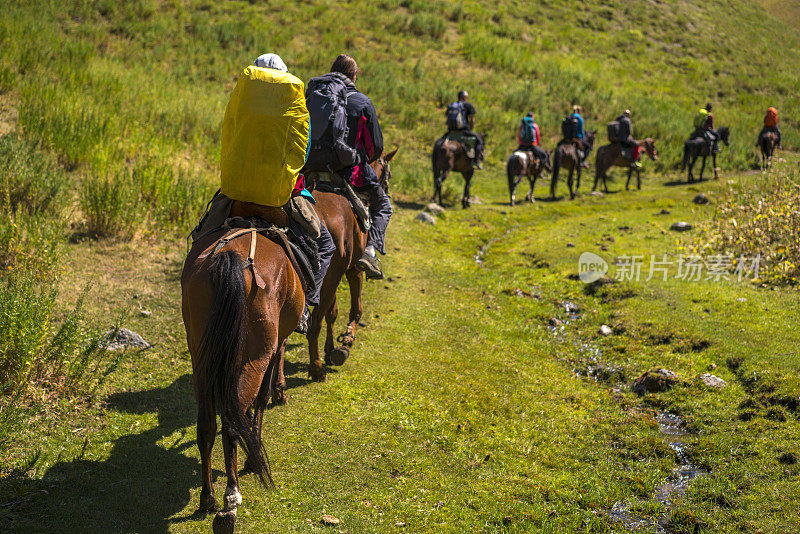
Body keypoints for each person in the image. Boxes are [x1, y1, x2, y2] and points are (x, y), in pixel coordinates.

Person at [309, 54, 391, 280]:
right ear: (354, 76)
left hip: (309, 170)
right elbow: (375, 148)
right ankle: (370, 253)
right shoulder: (362, 102)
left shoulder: (315, 95)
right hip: (348, 173)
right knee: (383, 205)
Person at [446, 90, 484, 169]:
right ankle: (476, 161)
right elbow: (472, 120)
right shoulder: (468, 105)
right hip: (463, 131)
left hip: (451, 131)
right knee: (479, 140)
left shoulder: (452, 105)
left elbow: (447, 116)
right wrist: (470, 128)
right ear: (465, 97)